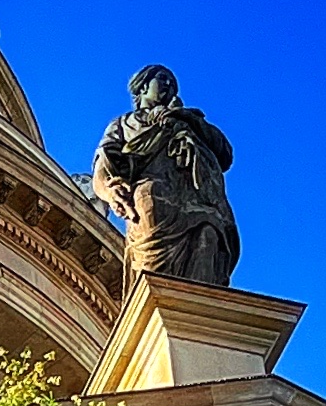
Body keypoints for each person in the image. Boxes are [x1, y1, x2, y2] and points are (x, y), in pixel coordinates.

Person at [96, 66, 240, 287]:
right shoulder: (124, 124)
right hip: (153, 194)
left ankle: (198, 312)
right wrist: (109, 190)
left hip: (200, 196)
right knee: (153, 270)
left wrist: (185, 118)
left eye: (173, 84)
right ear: (143, 86)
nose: (169, 86)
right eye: (162, 79)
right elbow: (104, 160)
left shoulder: (190, 121)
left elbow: (225, 153)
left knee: (208, 239)